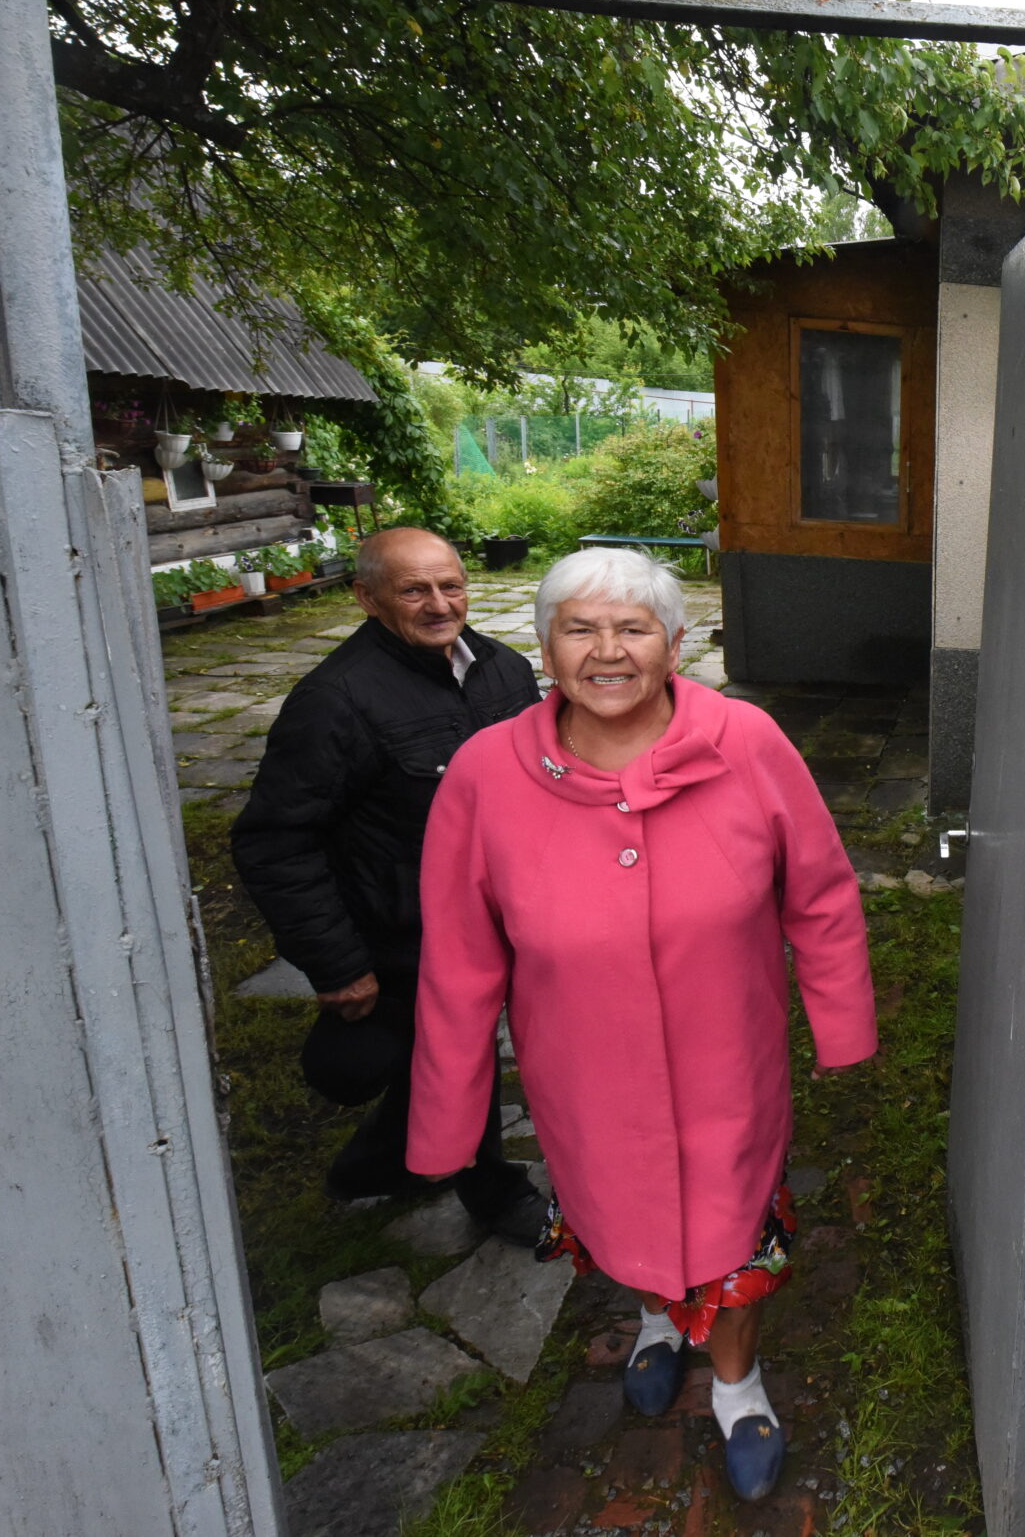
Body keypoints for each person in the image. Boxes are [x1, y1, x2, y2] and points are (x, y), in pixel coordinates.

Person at [407, 547, 873, 1503]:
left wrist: (841, 1024)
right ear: (544, 647)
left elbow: (821, 894)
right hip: (582, 1073)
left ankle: (738, 1385)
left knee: (735, 1232)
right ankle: (661, 1322)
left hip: (727, 1066)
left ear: (676, 643)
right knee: (625, 1216)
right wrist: (451, 1118)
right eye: (580, 627)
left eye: (633, 627)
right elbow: (458, 958)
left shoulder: (747, 741)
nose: (606, 650)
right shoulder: (486, 774)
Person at [232, 527, 547, 1243]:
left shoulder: (504, 670)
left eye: (451, 584)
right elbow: (273, 839)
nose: (440, 604)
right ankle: (495, 1194)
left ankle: (376, 1163)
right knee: (448, 1055)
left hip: (494, 914)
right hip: (402, 931)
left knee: (433, 1054)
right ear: (368, 599)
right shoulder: (335, 701)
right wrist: (338, 963)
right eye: (415, 590)